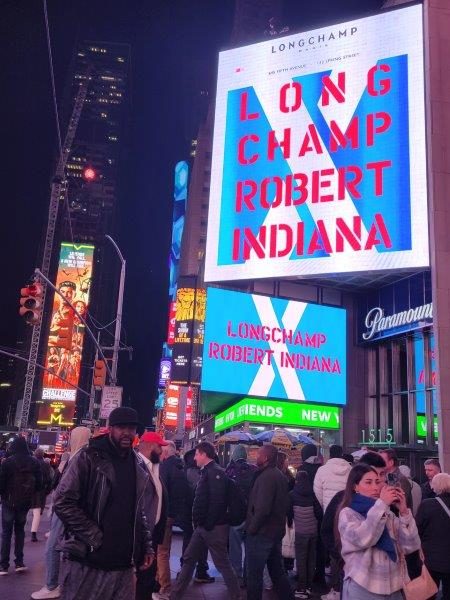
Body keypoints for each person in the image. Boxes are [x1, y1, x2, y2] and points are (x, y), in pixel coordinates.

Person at [53, 407, 154, 600]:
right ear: (110, 429)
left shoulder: (137, 464)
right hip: (89, 562)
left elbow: (137, 510)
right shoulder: (89, 456)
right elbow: (62, 501)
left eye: (131, 428)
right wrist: (95, 536)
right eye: (121, 427)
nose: (127, 433)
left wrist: (146, 546)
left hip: (124, 564)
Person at [170, 441, 241, 600]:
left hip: (212, 528)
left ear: (203, 454)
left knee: (222, 563)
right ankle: (175, 596)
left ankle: (237, 596)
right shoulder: (208, 471)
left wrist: (208, 523)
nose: (194, 458)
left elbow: (217, 501)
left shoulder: (215, 473)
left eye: (196, 454)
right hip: (203, 527)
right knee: (188, 560)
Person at [337, 463, 420, 599]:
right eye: (368, 482)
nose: (375, 487)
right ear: (355, 487)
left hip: (394, 588)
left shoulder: (387, 512)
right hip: (363, 588)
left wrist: (404, 511)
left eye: (378, 482)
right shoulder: (348, 513)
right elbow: (363, 538)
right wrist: (381, 504)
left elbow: (410, 545)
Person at [32, 427, 91, 600]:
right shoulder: (85, 456)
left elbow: (64, 484)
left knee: (52, 546)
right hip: (74, 509)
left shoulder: (77, 457)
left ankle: (52, 585)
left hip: (66, 508)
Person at [320, 451, 387, 600]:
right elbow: (326, 531)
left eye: (382, 475)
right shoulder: (342, 501)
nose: (379, 481)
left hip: (384, 579)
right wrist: (343, 556)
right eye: (371, 479)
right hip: (354, 573)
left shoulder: (386, 503)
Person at [245, 443, 294, 600]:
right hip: (274, 532)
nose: (256, 456)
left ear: (265, 458)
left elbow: (263, 509)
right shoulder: (277, 475)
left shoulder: (267, 477)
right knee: (277, 572)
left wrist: (252, 529)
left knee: (254, 575)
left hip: (262, 534)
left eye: (259, 454)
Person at [0, 436, 43, 575]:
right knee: (20, 532)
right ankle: (19, 563)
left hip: (8, 501)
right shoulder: (35, 463)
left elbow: (1, 483)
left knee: (6, 533)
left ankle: (3, 566)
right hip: (24, 502)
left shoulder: (7, 463)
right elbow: (39, 484)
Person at [136, 431, 168, 600]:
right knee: (141, 576)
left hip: (152, 534)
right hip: (140, 534)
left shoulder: (154, 467)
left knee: (148, 576)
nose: (162, 451)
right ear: (149, 446)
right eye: (159, 446)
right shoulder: (136, 465)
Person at [156, 440, 190, 599]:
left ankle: (164, 587)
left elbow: (160, 492)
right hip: (174, 513)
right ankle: (160, 582)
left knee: (161, 552)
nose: (160, 454)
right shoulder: (181, 467)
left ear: (167, 452)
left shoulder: (165, 467)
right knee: (165, 550)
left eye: (162, 451)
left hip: (165, 513)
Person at [225, 444, 257, 584]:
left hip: (235, 515)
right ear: (245, 455)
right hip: (251, 516)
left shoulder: (229, 470)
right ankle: (248, 577)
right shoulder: (254, 470)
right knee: (250, 549)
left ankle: (236, 578)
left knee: (235, 549)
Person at [415, 472, 450, 598]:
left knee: (429, 593)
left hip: (431, 559)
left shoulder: (427, 504)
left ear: (435, 486)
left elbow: (416, 529)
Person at [181, 449, 212, 584]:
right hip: (198, 514)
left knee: (188, 542)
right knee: (201, 544)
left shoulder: (185, 470)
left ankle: (185, 571)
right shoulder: (200, 473)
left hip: (187, 513)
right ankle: (201, 571)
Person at [290, 470, 323, 599]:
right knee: (311, 559)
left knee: (301, 561)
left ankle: (301, 588)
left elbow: (289, 513)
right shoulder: (312, 494)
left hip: (300, 533)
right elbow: (319, 514)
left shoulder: (292, 495)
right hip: (313, 532)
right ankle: (309, 586)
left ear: (297, 480)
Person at [314, 446, 352, 512]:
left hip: (328, 508)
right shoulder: (350, 469)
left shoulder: (322, 470)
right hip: (346, 507)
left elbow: (318, 492)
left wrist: (323, 505)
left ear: (330, 454)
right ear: (341, 454)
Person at [30, 448, 54, 542]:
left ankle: (19, 530)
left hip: (28, 491)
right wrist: (47, 491)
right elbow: (49, 479)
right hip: (40, 492)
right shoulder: (46, 465)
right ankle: (33, 534)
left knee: (23, 511)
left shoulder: (30, 463)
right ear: (43, 455)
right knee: (37, 513)